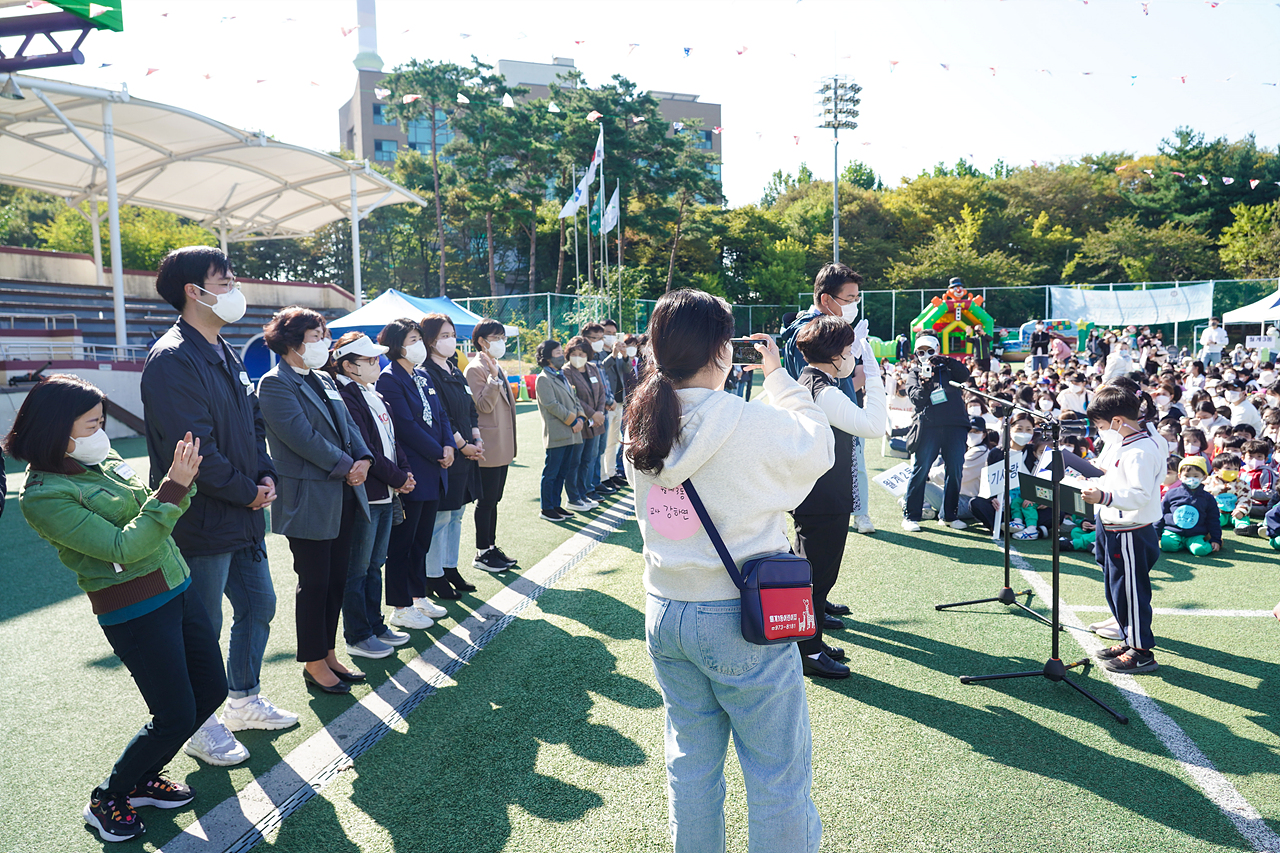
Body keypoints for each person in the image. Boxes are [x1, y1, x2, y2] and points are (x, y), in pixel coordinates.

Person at [625, 289, 832, 853]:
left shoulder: (640, 423)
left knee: (690, 763)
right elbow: (819, 447)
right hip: (741, 616)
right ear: (723, 350)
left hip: (665, 609)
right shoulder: (748, 421)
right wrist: (780, 379)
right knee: (777, 775)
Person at [9, 375, 220, 843]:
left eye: (102, 421)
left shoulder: (101, 457)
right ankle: (109, 796)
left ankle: (145, 778)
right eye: (92, 424)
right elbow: (124, 547)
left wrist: (174, 491)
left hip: (177, 584)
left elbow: (152, 512)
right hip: (135, 610)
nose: (102, 433)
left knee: (212, 691)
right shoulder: (43, 495)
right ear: (55, 429)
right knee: (175, 714)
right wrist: (172, 491)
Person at [141, 246, 295, 766]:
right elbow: (194, 450)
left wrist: (265, 472)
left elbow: (252, 425)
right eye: (225, 280)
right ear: (195, 290)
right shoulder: (172, 358)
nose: (235, 288)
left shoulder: (223, 349)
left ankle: (243, 699)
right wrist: (247, 489)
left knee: (259, 606)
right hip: (201, 518)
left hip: (244, 513)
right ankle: (199, 723)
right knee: (201, 626)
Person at [257, 307, 373, 695]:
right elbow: (300, 436)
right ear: (291, 342)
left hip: (342, 491)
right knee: (315, 580)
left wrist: (364, 459)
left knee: (337, 578)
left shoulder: (323, 378)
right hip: (309, 496)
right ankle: (312, 661)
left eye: (323, 334)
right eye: (315, 336)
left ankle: (328, 651)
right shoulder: (274, 383)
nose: (323, 343)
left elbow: (350, 426)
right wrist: (347, 465)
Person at [791, 315, 887, 679]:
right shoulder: (823, 390)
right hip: (822, 496)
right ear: (834, 356)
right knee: (816, 578)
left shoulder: (815, 382)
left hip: (820, 493)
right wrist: (875, 378)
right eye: (849, 350)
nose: (853, 356)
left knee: (817, 577)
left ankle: (810, 642)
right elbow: (873, 426)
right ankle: (808, 650)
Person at [329, 332, 416, 660]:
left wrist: (403, 474)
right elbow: (365, 449)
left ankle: (375, 625)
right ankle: (358, 634)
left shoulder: (372, 393)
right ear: (348, 365)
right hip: (368, 494)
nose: (375, 363)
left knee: (374, 564)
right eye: (367, 360)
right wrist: (398, 477)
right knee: (359, 567)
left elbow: (392, 442)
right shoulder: (347, 396)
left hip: (386, 492)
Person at [779, 262, 876, 534]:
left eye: (857, 298)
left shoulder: (824, 327)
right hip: (826, 421)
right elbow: (813, 382)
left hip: (836, 416)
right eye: (849, 299)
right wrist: (853, 358)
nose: (854, 305)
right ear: (826, 299)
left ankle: (859, 513)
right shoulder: (810, 331)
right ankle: (856, 514)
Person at [1080, 385, 1166, 673]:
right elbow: (1114, 476)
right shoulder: (1124, 444)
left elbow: (1140, 493)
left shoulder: (1141, 449)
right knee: (1117, 587)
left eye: (1101, 425)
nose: (1099, 430)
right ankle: (1128, 637)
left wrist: (1103, 496)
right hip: (1113, 523)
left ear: (1117, 422)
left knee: (1132, 591)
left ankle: (1141, 651)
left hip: (1130, 528)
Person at [376, 318, 455, 630]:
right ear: (396, 344)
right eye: (412, 338)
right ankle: (400, 604)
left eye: (419, 338)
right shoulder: (389, 378)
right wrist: (438, 451)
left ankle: (418, 595)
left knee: (422, 539)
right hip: (414, 469)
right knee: (403, 543)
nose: (418, 344)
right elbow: (405, 426)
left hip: (435, 468)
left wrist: (449, 445)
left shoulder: (422, 375)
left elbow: (442, 415)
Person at [419, 313, 484, 598]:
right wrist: (462, 445)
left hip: (467, 451)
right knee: (442, 518)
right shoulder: (426, 372)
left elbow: (469, 407)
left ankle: (450, 567)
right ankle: (433, 575)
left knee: (457, 513)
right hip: (449, 452)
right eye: (443, 335)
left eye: (452, 334)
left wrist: (477, 438)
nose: (450, 340)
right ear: (429, 339)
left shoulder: (455, 369)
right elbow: (440, 415)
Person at [901, 334, 972, 532]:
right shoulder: (915, 373)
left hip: (954, 425)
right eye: (921, 352)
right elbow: (917, 400)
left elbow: (964, 375)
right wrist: (925, 383)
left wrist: (947, 361)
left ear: (938, 350)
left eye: (931, 351)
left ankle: (949, 515)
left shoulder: (948, 368)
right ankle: (911, 515)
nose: (926, 356)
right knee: (921, 469)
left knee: (955, 469)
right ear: (915, 354)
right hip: (928, 427)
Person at [464, 318, 520, 572]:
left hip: (502, 444)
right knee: (486, 500)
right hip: (488, 444)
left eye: (502, 337)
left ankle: (490, 546)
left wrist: (496, 375)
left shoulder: (495, 365)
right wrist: (494, 379)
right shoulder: (475, 368)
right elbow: (483, 406)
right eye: (495, 338)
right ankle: (482, 551)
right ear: (482, 342)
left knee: (494, 499)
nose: (500, 342)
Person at [534, 339, 586, 522]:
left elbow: (575, 399)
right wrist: (573, 421)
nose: (561, 356)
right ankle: (546, 508)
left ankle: (556, 505)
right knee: (552, 472)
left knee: (562, 471)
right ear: (547, 357)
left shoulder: (561, 375)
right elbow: (552, 405)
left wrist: (580, 417)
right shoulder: (543, 379)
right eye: (557, 353)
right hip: (557, 433)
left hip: (571, 433)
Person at [564, 335, 610, 512]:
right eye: (574, 353)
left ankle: (584, 494)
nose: (578, 356)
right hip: (580, 422)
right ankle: (573, 497)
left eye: (582, 353)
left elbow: (601, 393)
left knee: (588, 460)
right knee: (575, 461)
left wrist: (599, 412)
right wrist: (592, 414)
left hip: (595, 422)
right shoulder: (566, 371)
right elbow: (573, 397)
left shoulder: (592, 368)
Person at [1156, 456, 1221, 556]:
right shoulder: (1171, 494)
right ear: (1180, 476)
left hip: (1196, 534)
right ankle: (1182, 543)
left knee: (1200, 550)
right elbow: (1161, 514)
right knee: (1167, 545)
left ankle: (1191, 543)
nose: (1191, 479)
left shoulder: (1208, 498)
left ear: (1204, 477)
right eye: (1187, 475)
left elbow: (1213, 519)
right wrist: (1156, 534)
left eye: (1196, 476)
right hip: (1173, 531)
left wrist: (1216, 539)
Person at [580, 321, 618, 497]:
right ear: (584, 339)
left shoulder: (599, 358)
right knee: (589, 454)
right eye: (594, 338)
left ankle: (595, 482)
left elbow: (604, 384)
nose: (598, 341)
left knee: (600, 450)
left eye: (600, 338)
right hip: (591, 414)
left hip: (603, 410)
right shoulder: (582, 359)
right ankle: (586, 488)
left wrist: (609, 400)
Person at [601, 330, 639, 489]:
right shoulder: (599, 354)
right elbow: (602, 367)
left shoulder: (617, 354)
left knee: (613, 442)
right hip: (606, 404)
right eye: (607, 333)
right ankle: (602, 476)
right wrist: (614, 354)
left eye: (613, 333)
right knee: (604, 444)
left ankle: (610, 473)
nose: (611, 336)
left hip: (619, 403)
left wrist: (623, 355)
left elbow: (627, 368)